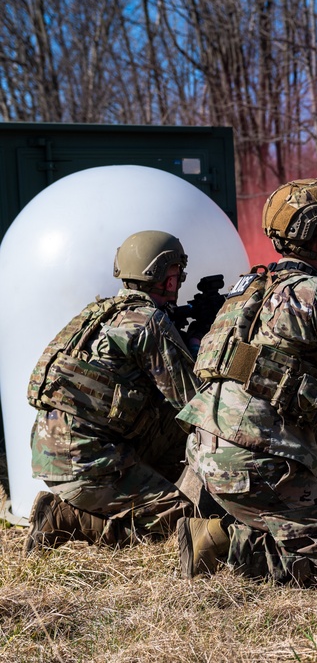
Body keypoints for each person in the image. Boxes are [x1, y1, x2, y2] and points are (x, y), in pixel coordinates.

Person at [176, 178, 317, 585]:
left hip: (205, 452)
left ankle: (217, 532)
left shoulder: (249, 289)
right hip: (255, 463)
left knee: (297, 524)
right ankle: (223, 543)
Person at [24, 230, 199, 553]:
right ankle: (65, 519)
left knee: (168, 427)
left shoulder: (96, 314)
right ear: (167, 278)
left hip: (51, 453)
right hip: (88, 462)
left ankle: (109, 500)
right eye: (176, 274)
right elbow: (192, 405)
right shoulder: (149, 323)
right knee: (187, 522)